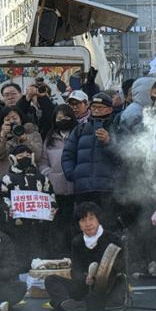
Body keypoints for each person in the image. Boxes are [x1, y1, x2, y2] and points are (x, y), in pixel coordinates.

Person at [44, 202, 124, 311]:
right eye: (83, 220)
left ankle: (75, 304)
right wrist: (85, 277)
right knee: (51, 280)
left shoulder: (113, 239)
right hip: (85, 285)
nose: (88, 223)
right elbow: (76, 269)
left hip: (108, 286)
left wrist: (99, 276)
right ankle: (66, 302)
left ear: (98, 220)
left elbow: (121, 267)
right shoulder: (77, 242)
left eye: (91, 219)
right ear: (79, 225)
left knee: (113, 298)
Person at [62, 93, 120, 228]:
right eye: (94, 107)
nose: (96, 110)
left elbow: (124, 158)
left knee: (107, 226)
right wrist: (72, 173)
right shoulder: (80, 128)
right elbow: (68, 154)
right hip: (83, 189)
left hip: (108, 189)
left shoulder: (118, 129)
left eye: (100, 107)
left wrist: (109, 142)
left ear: (109, 110)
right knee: (84, 226)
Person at [0, 144, 57, 272]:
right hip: (17, 226)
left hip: (39, 225)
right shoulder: (7, 178)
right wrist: (8, 208)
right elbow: (2, 197)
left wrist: (53, 206)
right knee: (20, 252)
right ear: (13, 158)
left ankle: (40, 281)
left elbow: (50, 194)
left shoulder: (41, 178)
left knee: (39, 251)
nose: (24, 157)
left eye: (27, 155)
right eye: (20, 155)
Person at [39, 104, 78, 256]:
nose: (63, 120)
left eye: (66, 116)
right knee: (57, 227)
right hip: (56, 190)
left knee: (74, 226)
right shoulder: (49, 138)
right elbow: (42, 161)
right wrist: (49, 173)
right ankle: (58, 257)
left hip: (75, 188)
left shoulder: (78, 134)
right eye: (59, 117)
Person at [0, 107, 43, 176]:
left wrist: (25, 140)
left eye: (14, 118)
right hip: (7, 178)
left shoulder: (32, 133)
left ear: (21, 119)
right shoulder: (2, 136)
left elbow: (37, 156)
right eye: (7, 119)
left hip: (30, 176)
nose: (12, 122)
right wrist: (3, 136)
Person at [0, 231, 27, 311]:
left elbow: (11, 266)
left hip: (2, 282)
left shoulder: (3, 238)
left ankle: (2, 304)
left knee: (20, 287)